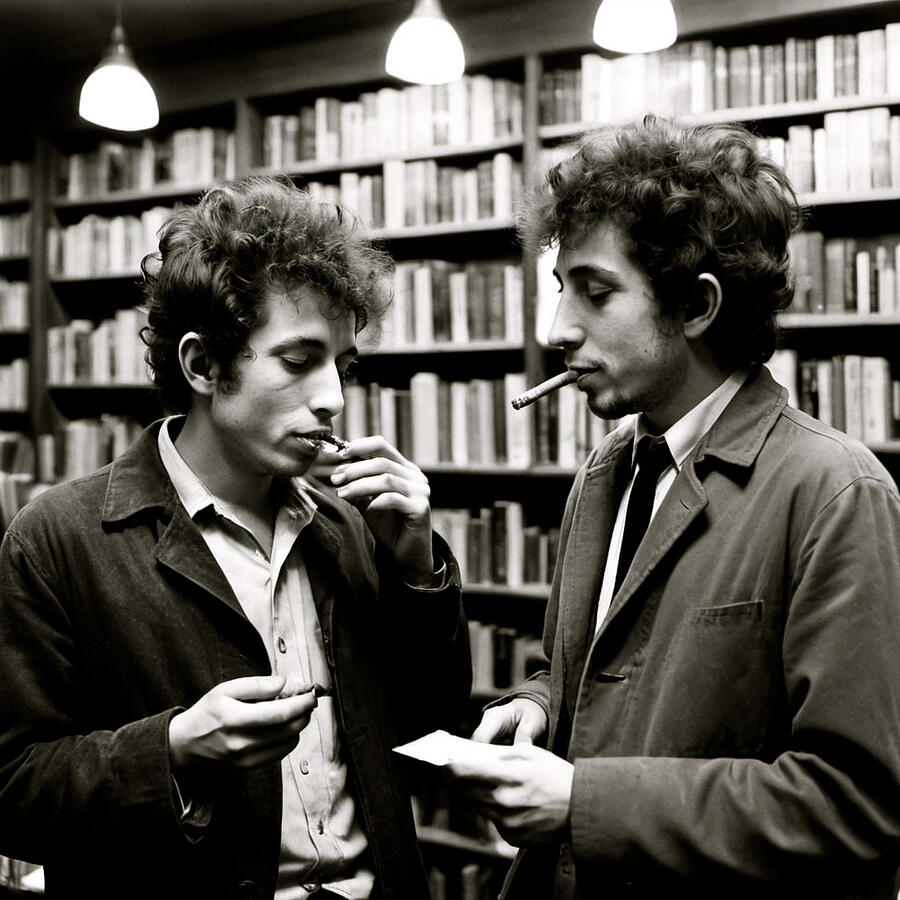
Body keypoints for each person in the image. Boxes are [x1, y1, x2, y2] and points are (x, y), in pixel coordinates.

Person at [445, 115, 900, 898]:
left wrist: (584, 802)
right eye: (561, 290)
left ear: (695, 305)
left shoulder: (834, 493)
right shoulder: (607, 470)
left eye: (595, 292)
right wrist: (533, 704)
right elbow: (579, 666)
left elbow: (856, 805)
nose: (557, 329)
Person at [0, 175, 471, 900]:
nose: (335, 399)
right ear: (202, 364)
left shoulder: (346, 523)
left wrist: (415, 567)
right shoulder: (58, 538)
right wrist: (173, 753)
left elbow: (428, 729)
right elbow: (12, 791)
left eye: (343, 367)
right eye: (298, 360)